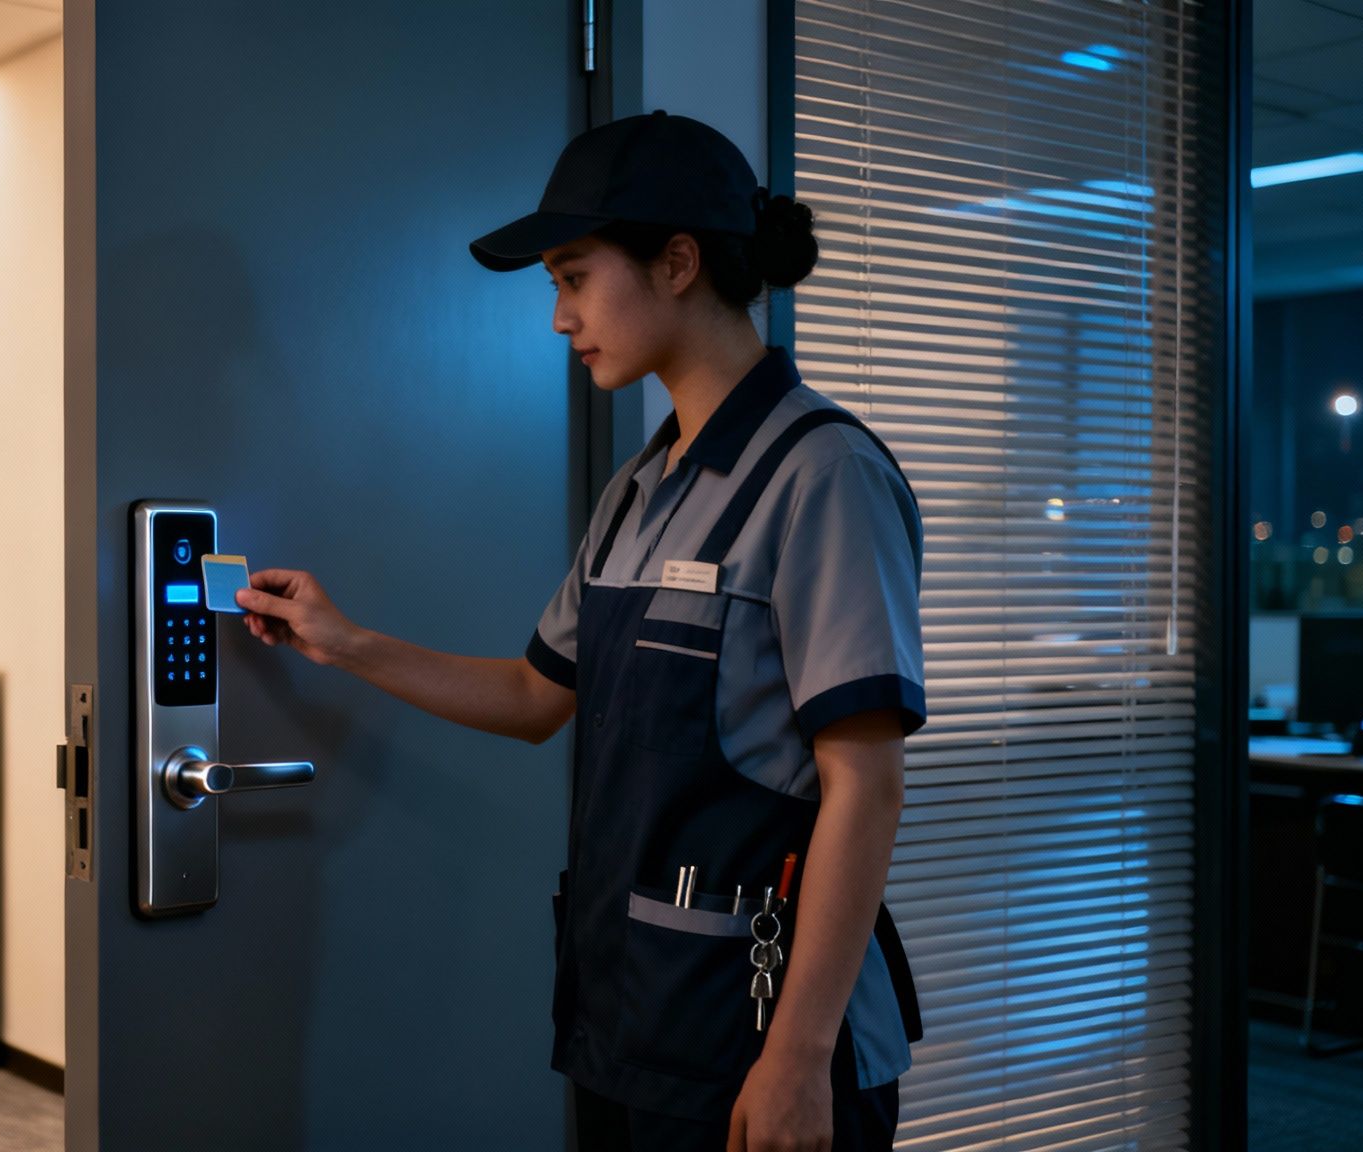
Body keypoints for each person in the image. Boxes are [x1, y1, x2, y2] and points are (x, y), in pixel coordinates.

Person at [234, 110, 925, 1152]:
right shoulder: (636, 492)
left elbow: (863, 787)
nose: (559, 317)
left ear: (677, 262)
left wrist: (794, 1059)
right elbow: (531, 697)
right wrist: (345, 642)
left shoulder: (822, 476)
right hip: (630, 1023)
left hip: (762, 1046)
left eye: (571, 277)